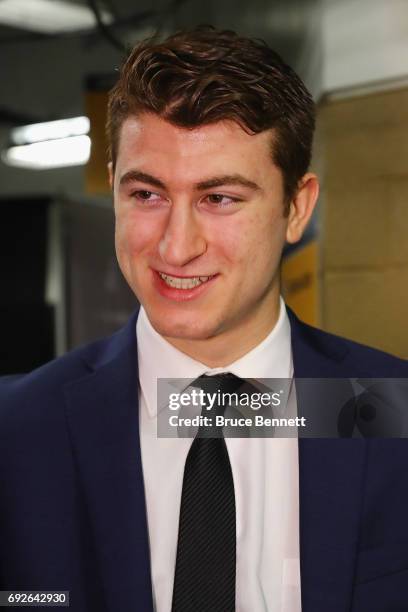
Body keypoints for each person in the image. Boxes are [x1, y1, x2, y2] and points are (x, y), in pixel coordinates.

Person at [1, 26, 407, 612]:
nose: (175, 247)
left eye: (219, 198)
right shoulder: (18, 432)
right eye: (147, 194)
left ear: (297, 207)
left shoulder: (386, 411)